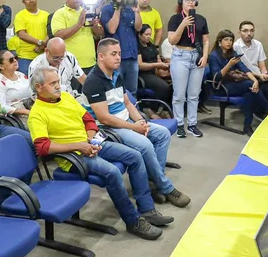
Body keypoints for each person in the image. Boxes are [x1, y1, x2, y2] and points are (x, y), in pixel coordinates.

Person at [29, 67, 170, 240]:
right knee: (112, 172)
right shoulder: (37, 114)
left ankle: (147, 209)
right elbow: (43, 148)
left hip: (91, 144)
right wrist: (80, 146)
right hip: (74, 157)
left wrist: (90, 139)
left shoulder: (65, 97)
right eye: (53, 83)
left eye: (58, 82)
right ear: (38, 87)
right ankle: (133, 221)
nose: (58, 86)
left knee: (135, 156)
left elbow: (88, 119)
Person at [85, 39, 189, 207]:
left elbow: (127, 103)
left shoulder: (116, 74)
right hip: (108, 129)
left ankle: (154, 182)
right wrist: (134, 127)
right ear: (101, 56)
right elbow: (104, 118)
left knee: (161, 134)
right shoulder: (93, 81)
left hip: (126, 122)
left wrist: (141, 121)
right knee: (145, 145)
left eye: (119, 53)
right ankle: (165, 187)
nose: (119, 57)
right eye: (114, 54)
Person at [208, 30, 268, 134]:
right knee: (249, 85)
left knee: (249, 94)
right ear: (219, 42)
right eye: (226, 40)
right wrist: (229, 65)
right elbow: (216, 78)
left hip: (235, 84)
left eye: (231, 40)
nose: (229, 42)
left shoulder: (233, 53)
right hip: (221, 87)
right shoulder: (213, 56)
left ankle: (247, 126)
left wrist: (255, 80)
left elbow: (245, 69)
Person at [167, 0, 209, 138]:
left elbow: (206, 40)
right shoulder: (175, 19)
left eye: (193, 0)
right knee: (179, 94)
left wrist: (205, 56)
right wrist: (183, 25)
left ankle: (192, 124)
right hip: (180, 56)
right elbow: (172, 40)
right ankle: (179, 124)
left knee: (194, 94)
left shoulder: (201, 19)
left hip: (196, 56)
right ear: (181, 2)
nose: (190, 2)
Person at [99, 0, 143, 98]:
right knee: (117, 91)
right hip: (116, 57)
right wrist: (117, 8)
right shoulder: (107, 9)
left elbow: (138, 28)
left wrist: (137, 12)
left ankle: (133, 114)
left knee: (132, 91)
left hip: (132, 55)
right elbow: (111, 29)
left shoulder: (130, 8)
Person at [50, 0, 97, 69]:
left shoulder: (87, 11)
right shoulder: (60, 13)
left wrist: (95, 25)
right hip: (70, 63)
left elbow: (99, 34)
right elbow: (58, 35)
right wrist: (79, 24)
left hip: (90, 61)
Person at [0, 49, 33, 117]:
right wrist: (24, 111)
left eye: (16, 58)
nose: (15, 61)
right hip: (13, 116)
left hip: (31, 107)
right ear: (1, 66)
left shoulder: (21, 75)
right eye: (11, 60)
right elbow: (1, 107)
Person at [11, 0, 49, 73]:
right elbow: (22, 34)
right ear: (23, 2)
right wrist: (39, 42)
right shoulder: (20, 16)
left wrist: (43, 44)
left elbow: (50, 32)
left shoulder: (46, 15)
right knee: (26, 84)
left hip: (44, 56)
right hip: (26, 57)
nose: (31, 0)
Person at [137, 26, 172, 111]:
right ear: (139, 35)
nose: (149, 36)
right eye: (146, 34)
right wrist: (156, 65)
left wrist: (163, 64)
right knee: (163, 87)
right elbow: (140, 65)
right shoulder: (137, 47)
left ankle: (166, 109)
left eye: (150, 34)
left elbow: (158, 58)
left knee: (174, 85)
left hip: (156, 71)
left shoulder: (151, 45)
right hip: (145, 73)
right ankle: (153, 109)